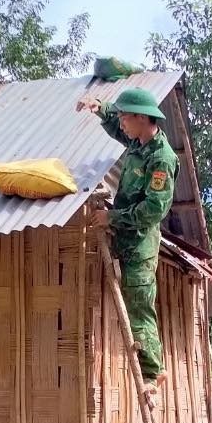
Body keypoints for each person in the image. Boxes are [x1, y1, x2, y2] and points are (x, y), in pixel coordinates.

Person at [76, 88, 177, 397]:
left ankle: (152, 374)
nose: (121, 122)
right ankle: (151, 370)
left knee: (138, 308)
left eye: (125, 116)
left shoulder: (161, 159)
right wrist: (99, 107)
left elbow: (153, 210)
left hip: (140, 247)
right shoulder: (138, 143)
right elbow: (115, 124)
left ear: (142, 118)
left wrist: (113, 218)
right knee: (132, 307)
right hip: (124, 240)